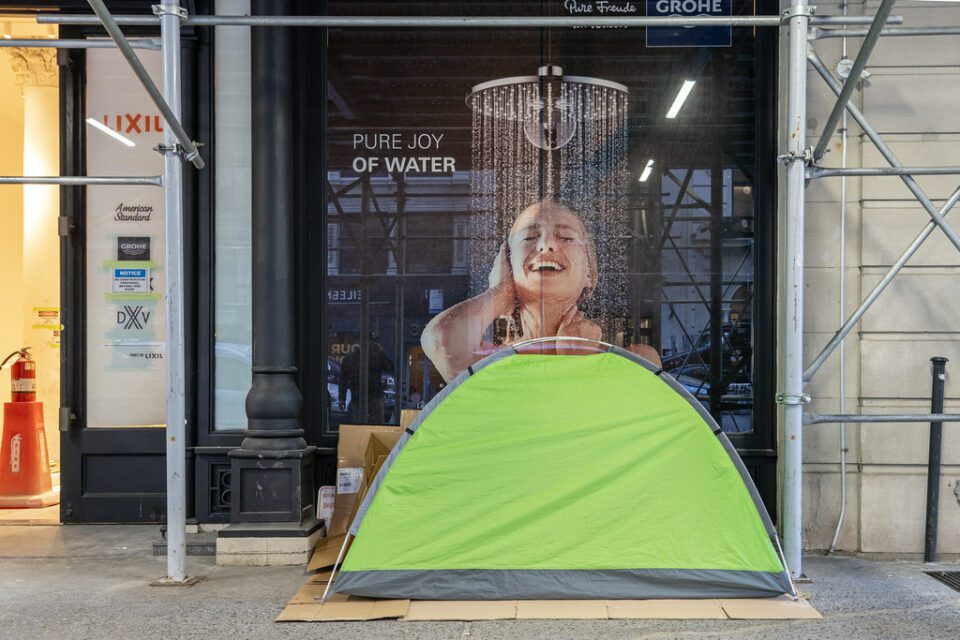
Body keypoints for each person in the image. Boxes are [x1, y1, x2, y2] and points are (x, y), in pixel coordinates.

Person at [423, 198, 647, 382]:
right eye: (529, 237)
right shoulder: (491, 359)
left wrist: (580, 360)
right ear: (507, 266)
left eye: (566, 237)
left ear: (589, 273)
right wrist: (500, 292)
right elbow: (441, 340)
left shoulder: (638, 358)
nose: (545, 244)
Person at [338, 338, 394, 424]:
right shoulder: (374, 357)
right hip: (371, 395)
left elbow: (343, 380)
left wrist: (342, 398)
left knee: (359, 423)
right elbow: (390, 367)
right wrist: (380, 353)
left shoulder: (351, 358)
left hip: (361, 395)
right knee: (376, 423)